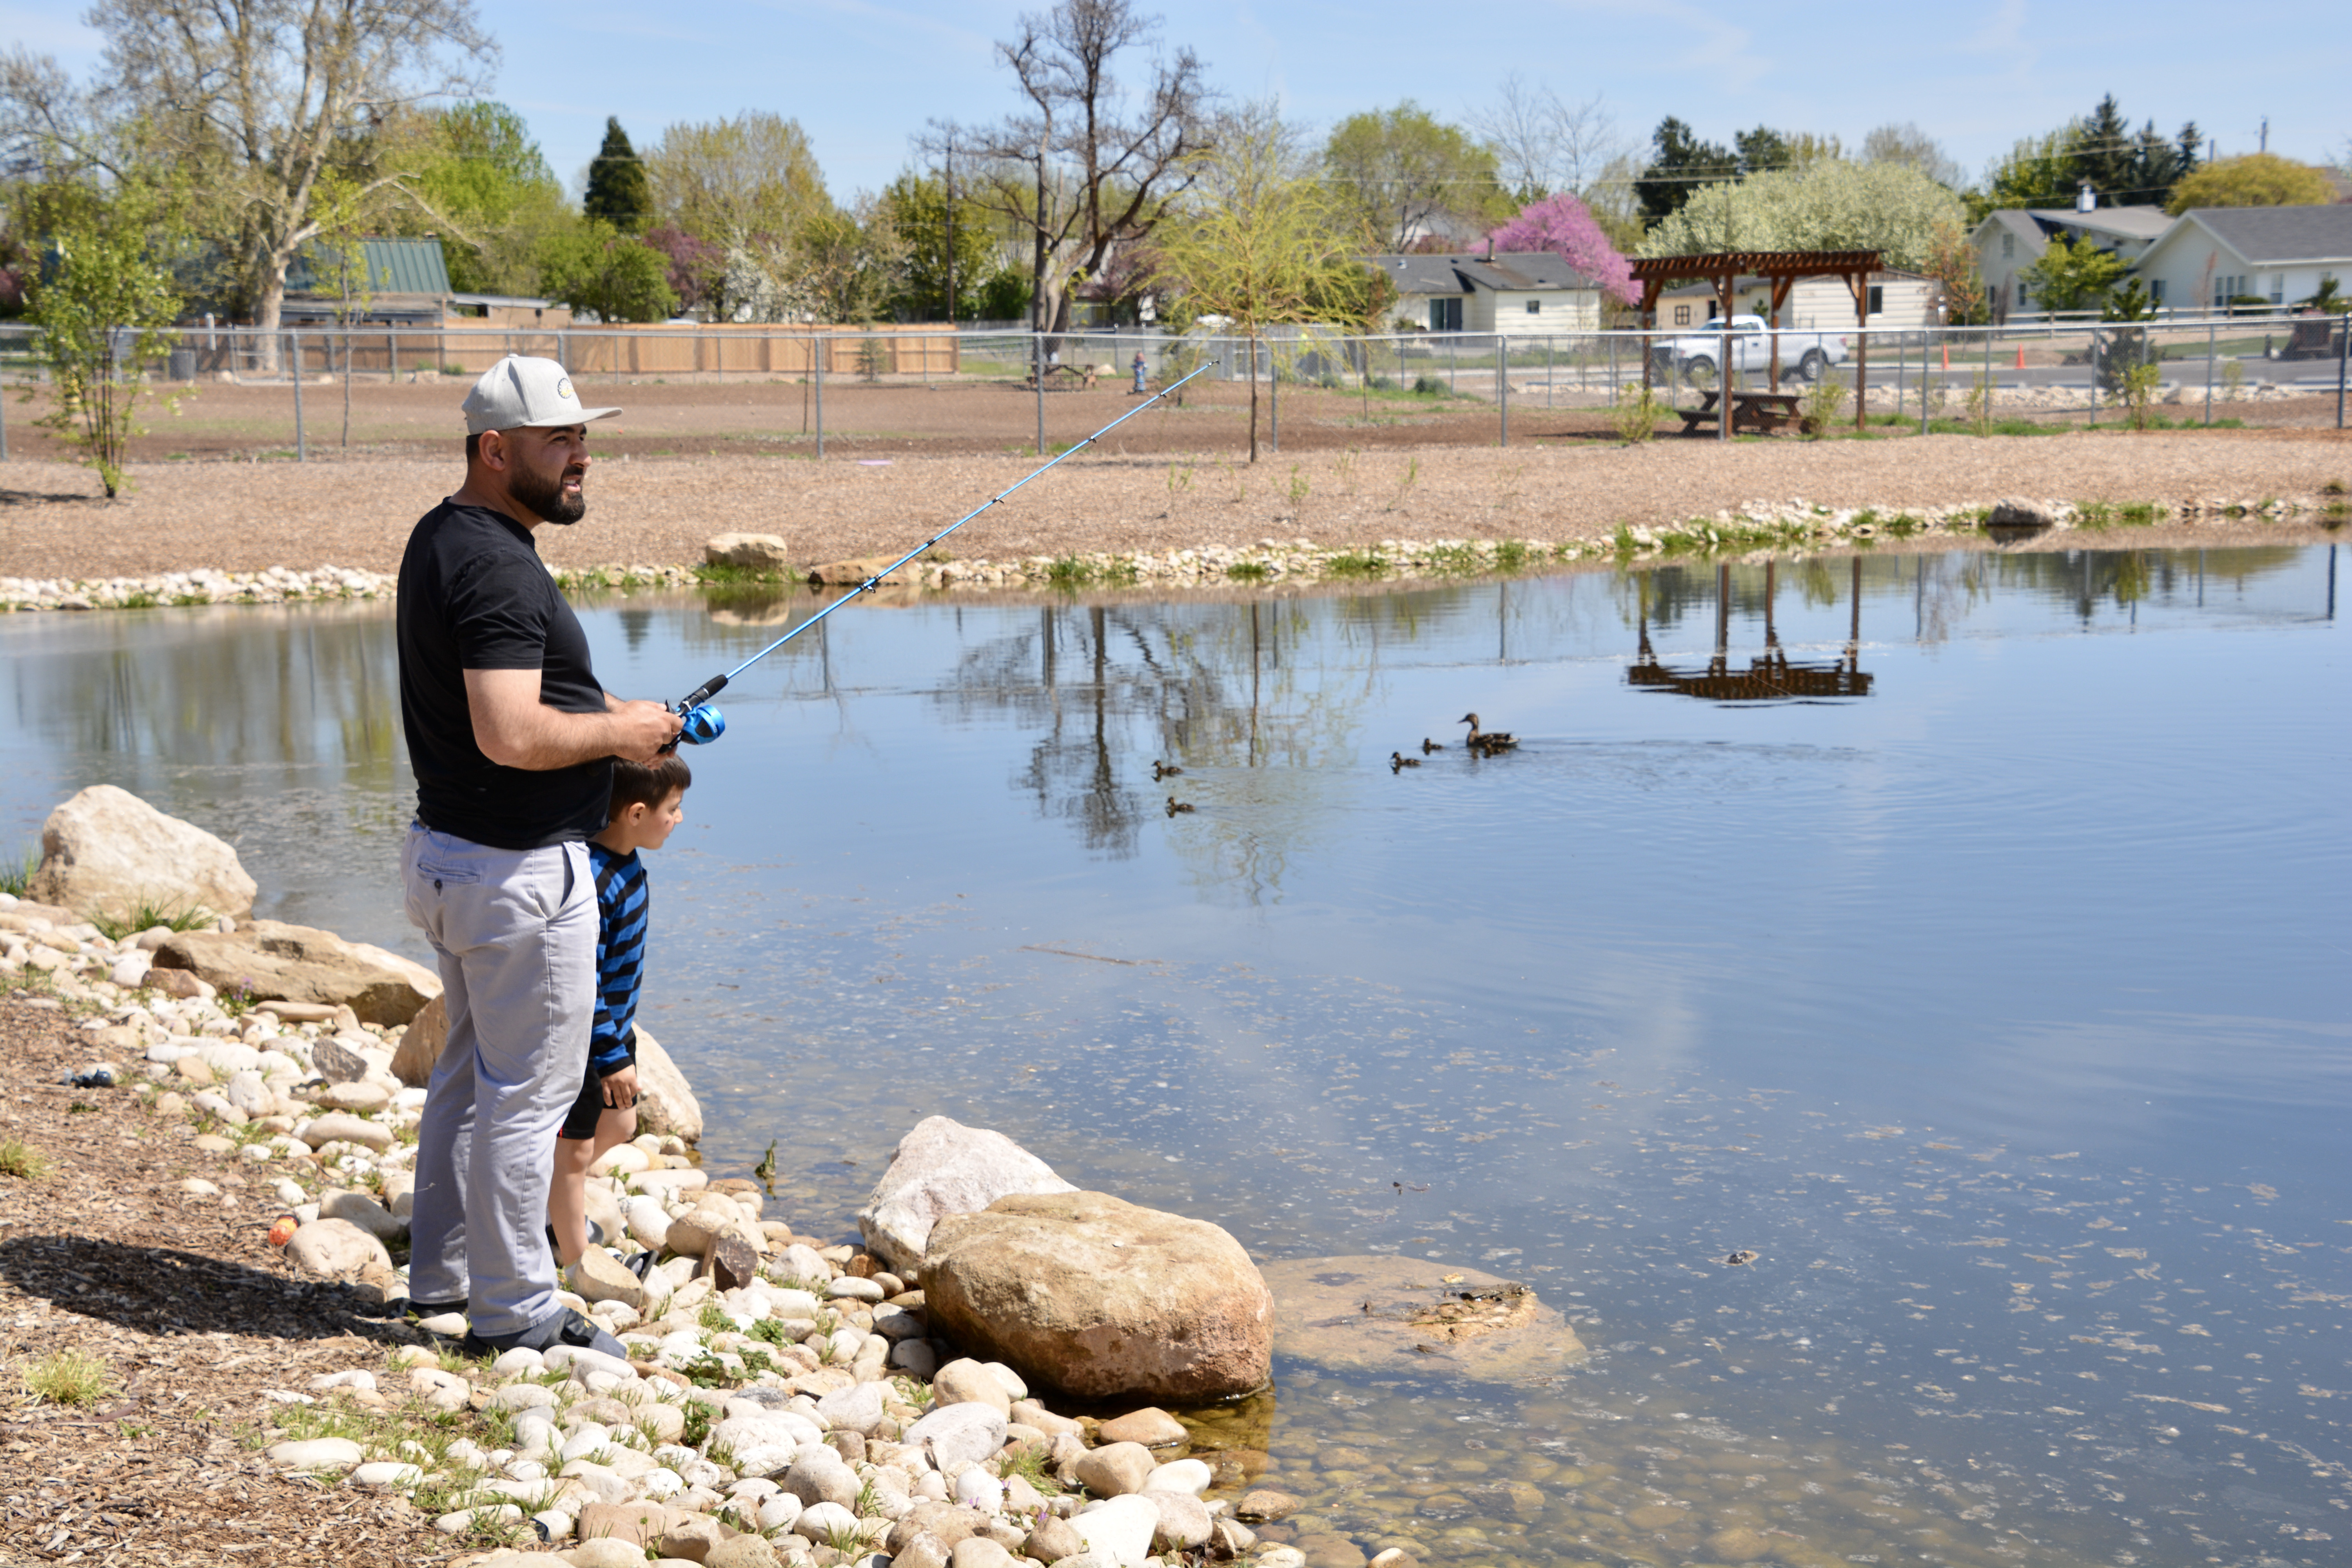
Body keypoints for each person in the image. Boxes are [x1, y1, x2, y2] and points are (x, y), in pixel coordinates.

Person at [396, 354, 681, 1357]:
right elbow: (511, 732)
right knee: (526, 1099)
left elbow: (536, 690)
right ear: (495, 448)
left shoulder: (447, 536)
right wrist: (614, 739)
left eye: (582, 436)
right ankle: (516, 1311)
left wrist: (629, 715)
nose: (581, 457)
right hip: (517, 873)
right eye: (560, 440)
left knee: (471, 1081)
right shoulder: (499, 564)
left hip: (451, 857)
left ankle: (441, 1279)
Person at [548, 753, 690, 1273]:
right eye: (672, 808)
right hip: (586, 1038)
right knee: (575, 1154)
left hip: (612, 1028)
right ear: (634, 813)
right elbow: (582, 981)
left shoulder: (625, 863)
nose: (679, 819)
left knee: (623, 1123)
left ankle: (542, 1201)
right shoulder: (591, 879)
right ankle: (575, 1259)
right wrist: (611, 1058)